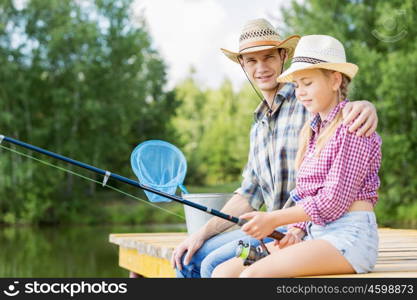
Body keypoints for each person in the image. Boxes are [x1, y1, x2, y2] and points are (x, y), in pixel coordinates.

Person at [171, 19, 378, 278]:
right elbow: (250, 194)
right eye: (251, 61)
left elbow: (338, 106)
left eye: (268, 57)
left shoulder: (306, 103)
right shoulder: (258, 125)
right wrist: (201, 233)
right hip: (279, 231)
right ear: (243, 66)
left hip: (304, 230)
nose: (261, 68)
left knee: (210, 264)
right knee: (190, 258)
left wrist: (365, 106)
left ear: (283, 57)